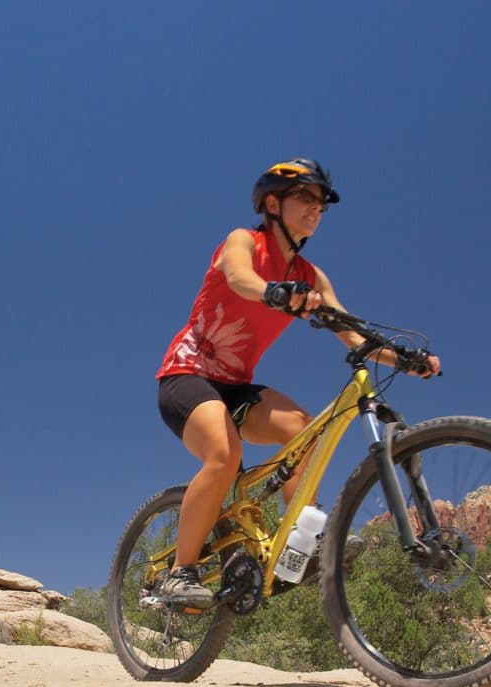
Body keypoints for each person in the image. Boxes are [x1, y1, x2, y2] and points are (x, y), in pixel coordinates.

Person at [155, 157, 441, 607]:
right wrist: (274, 291)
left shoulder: (311, 277)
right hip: (187, 375)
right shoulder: (244, 241)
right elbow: (239, 277)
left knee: (303, 429)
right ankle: (179, 572)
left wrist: (403, 358)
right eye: (306, 197)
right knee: (225, 454)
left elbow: (349, 330)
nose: (317, 208)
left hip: (236, 387)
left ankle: (303, 541)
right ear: (273, 203)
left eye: (322, 203)